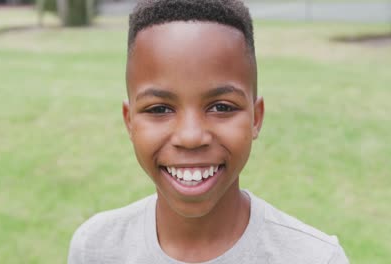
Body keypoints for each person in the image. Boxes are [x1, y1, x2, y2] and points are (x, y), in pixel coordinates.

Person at [68, 0, 349, 263]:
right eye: (159, 109)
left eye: (222, 107)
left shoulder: (315, 258)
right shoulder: (96, 248)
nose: (191, 136)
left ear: (256, 118)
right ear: (129, 121)